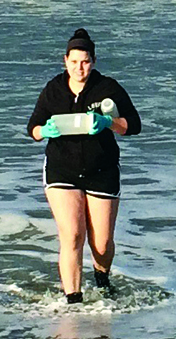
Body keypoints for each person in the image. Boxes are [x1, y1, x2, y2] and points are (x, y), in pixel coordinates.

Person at [27, 28, 141, 304]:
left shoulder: (108, 88)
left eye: (86, 61)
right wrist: (47, 130)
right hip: (61, 169)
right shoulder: (53, 89)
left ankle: (102, 279)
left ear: (94, 61)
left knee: (101, 244)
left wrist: (108, 123)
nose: (80, 67)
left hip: (101, 170)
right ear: (65, 60)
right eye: (74, 61)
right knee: (73, 235)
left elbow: (133, 125)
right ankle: (74, 302)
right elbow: (33, 128)